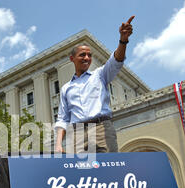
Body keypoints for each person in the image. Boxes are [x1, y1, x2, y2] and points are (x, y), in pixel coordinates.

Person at [55, 16, 135, 154]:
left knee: (109, 168)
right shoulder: (66, 88)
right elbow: (62, 118)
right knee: (82, 173)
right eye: (82, 55)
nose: (87, 58)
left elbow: (116, 61)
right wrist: (58, 144)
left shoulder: (100, 75)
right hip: (77, 135)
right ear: (72, 59)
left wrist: (123, 40)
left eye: (89, 55)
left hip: (101, 128)